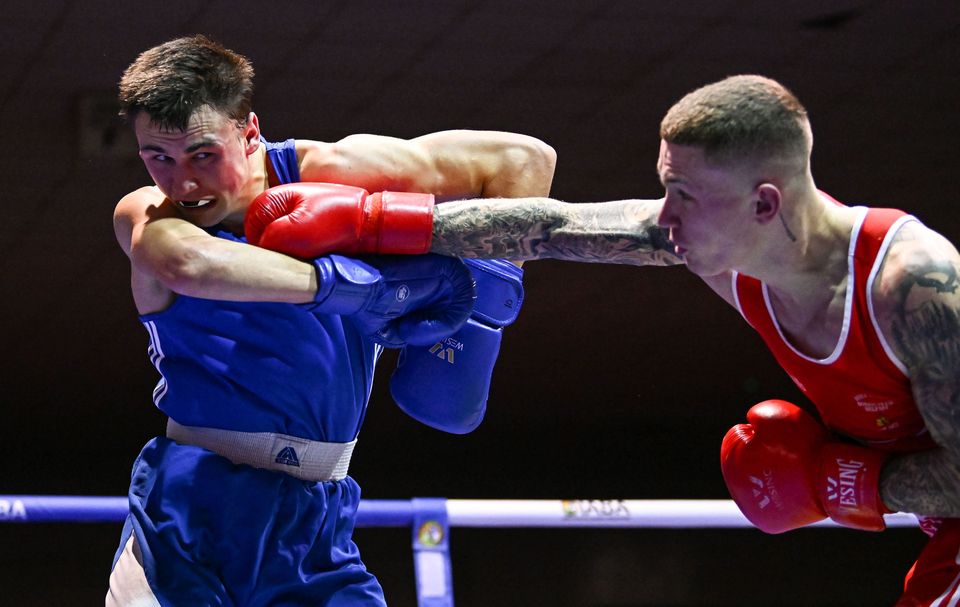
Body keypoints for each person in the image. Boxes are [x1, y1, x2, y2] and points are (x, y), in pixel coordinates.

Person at [268, 74, 958, 605]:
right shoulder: (728, 253)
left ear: (765, 203)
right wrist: (375, 221)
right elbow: (556, 227)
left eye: (684, 194)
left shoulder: (916, 288)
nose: (665, 215)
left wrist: (836, 482)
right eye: (667, 187)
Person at [107, 34, 555, 606]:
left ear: (248, 133)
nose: (183, 182)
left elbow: (522, 161)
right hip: (192, 508)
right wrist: (349, 290)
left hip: (317, 513)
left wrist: (481, 310)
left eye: (201, 155)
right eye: (158, 158)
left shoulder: (331, 172)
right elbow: (189, 264)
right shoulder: (147, 213)